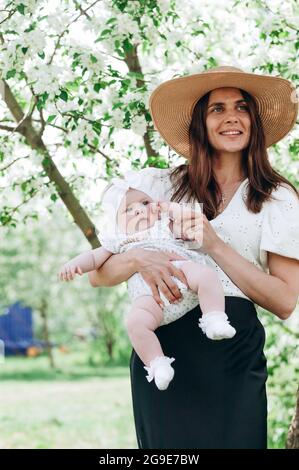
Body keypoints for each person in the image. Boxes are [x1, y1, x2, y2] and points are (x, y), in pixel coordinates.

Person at [88, 65, 299, 449]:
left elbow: (285, 301)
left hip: (231, 351)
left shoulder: (277, 197)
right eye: (217, 108)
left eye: (241, 107)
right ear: (200, 123)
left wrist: (215, 245)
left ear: (254, 120)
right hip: (161, 347)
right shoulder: (156, 186)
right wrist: (139, 259)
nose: (231, 117)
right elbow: (98, 274)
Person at [58, 176, 236, 391]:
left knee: (207, 276)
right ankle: (158, 365)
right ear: (116, 222)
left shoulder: (166, 225)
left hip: (184, 276)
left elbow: (193, 226)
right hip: (151, 300)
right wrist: (73, 265)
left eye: (145, 203)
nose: (139, 210)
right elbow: (94, 259)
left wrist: (169, 209)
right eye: (128, 209)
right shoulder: (119, 240)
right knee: (135, 323)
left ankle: (214, 319)